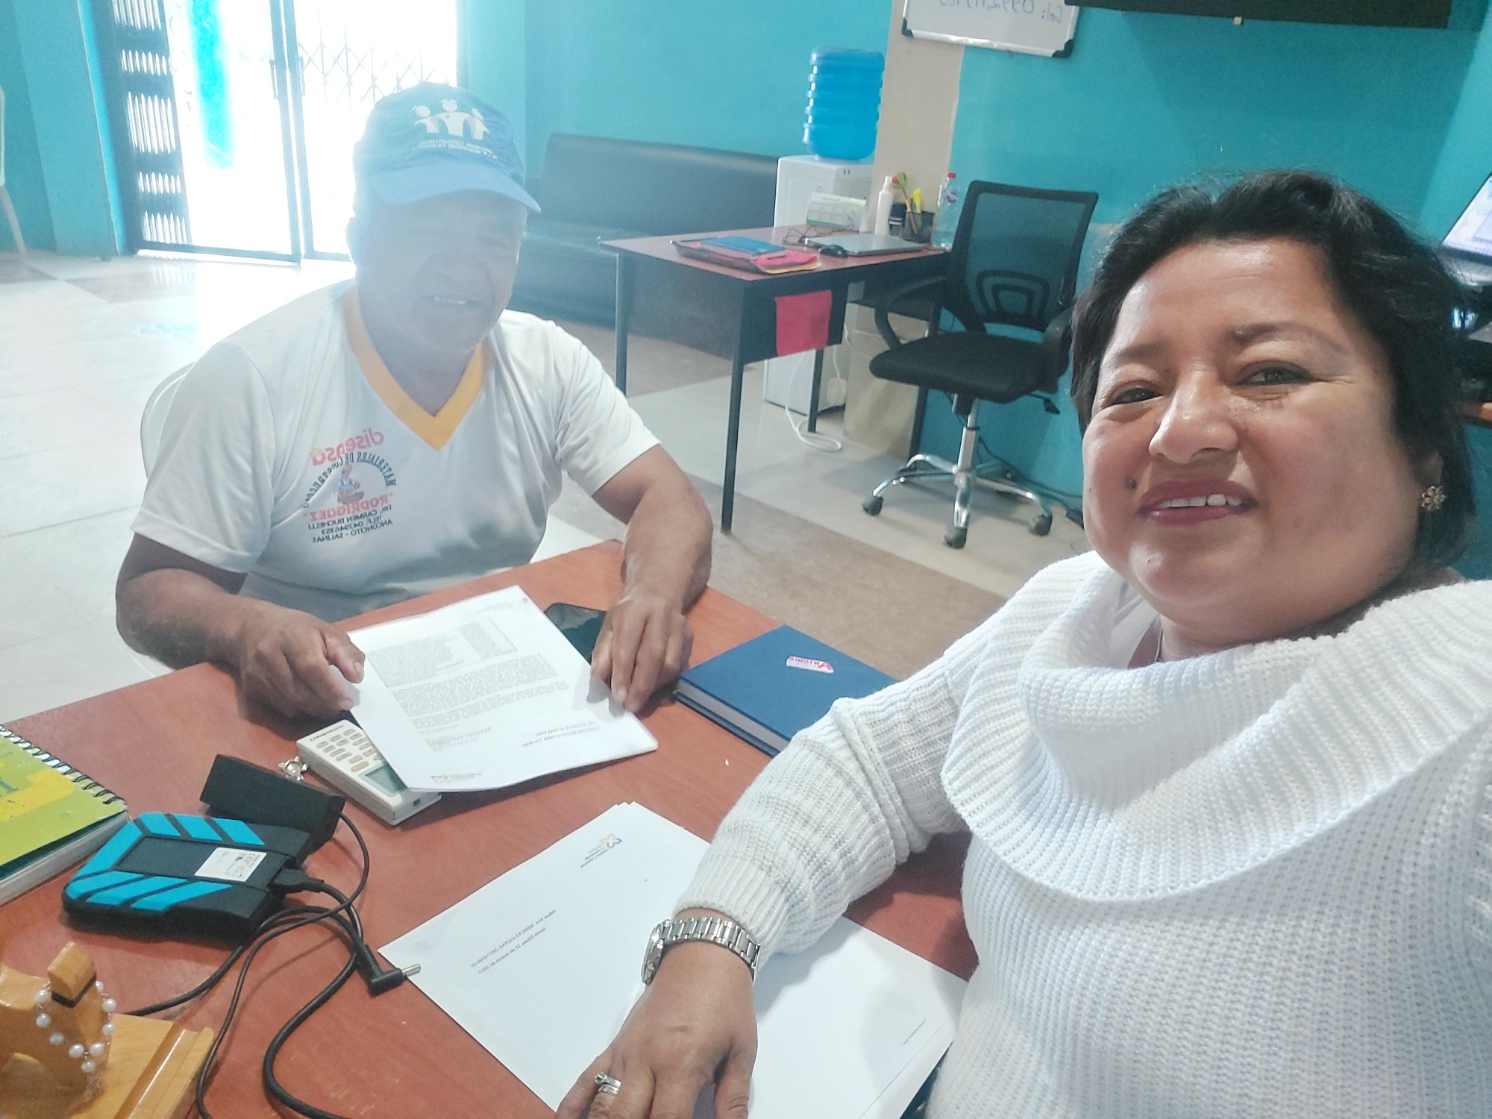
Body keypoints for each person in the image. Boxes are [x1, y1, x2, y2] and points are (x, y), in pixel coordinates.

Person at [560, 171, 1492, 1119]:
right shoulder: (1078, 611)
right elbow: (869, 761)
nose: (1179, 432)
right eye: (1134, 390)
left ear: (1422, 442)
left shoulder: (1466, 729)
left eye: (1270, 373)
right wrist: (709, 942)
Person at [116, 84, 711, 720]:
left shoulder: (546, 361)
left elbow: (669, 497)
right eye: (427, 231)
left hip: (494, 681)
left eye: (493, 240)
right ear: (359, 239)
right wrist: (244, 628)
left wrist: (652, 593)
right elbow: (147, 593)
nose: (463, 269)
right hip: (318, 699)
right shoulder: (253, 379)